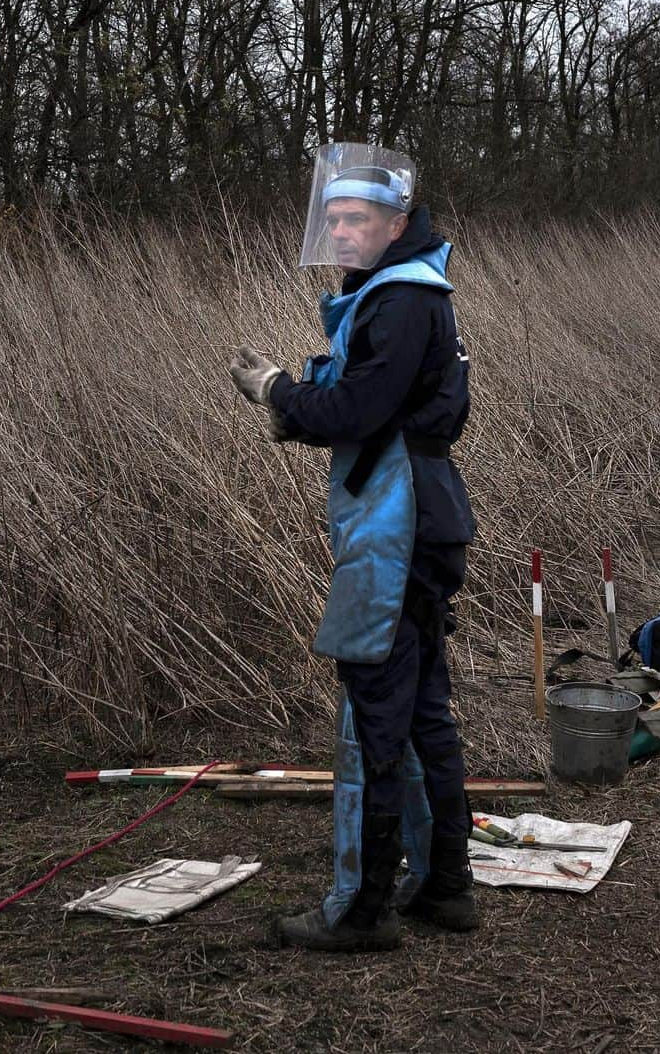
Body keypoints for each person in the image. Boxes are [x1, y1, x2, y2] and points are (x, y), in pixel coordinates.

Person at [229, 142, 478, 953]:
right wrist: (301, 404)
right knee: (419, 713)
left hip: (396, 531)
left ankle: (360, 909)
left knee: (375, 714)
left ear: (395, 222)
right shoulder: (403, 292)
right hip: (417, 516)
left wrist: (276, 391)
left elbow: (357, 412)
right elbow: (370, 405)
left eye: (356, 218)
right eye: (332, 217)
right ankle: (445, 885)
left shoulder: (404, 300)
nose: (340, 231)